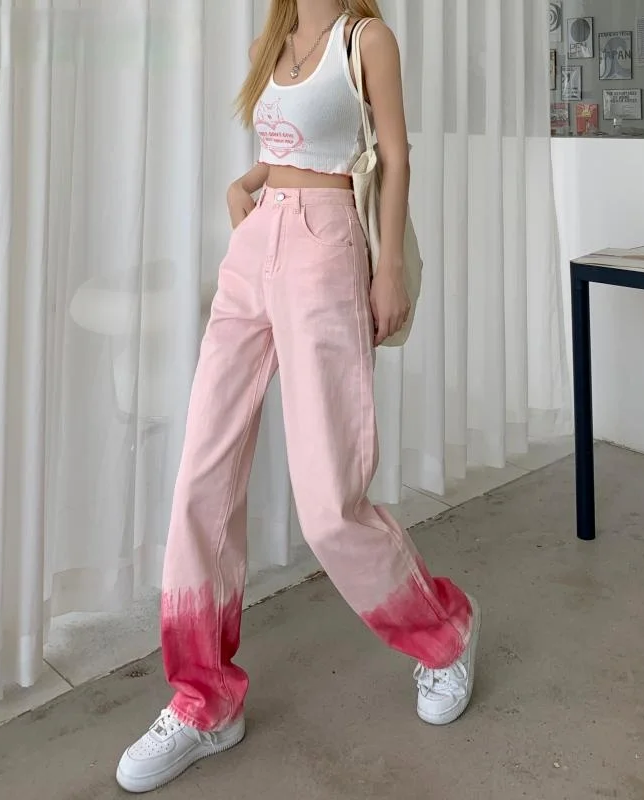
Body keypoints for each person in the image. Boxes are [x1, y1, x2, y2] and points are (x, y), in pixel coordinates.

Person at [116, 0, 480, 792]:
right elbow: (283, 146)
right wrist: (245, 184)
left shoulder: (365, 39)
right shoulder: (268, 41)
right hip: (256, 247)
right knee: (201, 476)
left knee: (328, 504)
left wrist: (387, 269)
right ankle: (204, 700)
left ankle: (445, 632)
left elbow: (393, 156)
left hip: (327, 246)